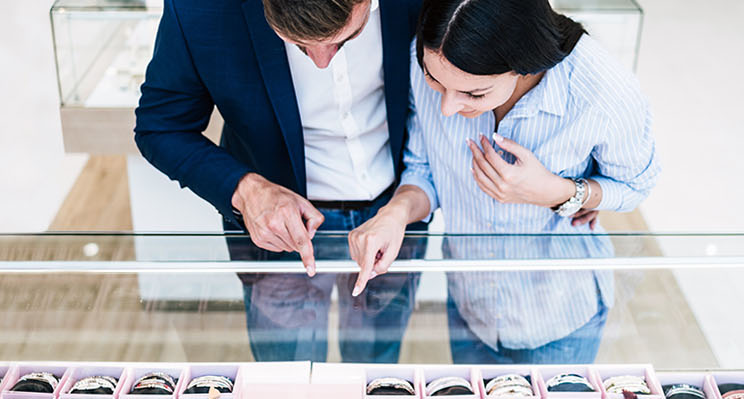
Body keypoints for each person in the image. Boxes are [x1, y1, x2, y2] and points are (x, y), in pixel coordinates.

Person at [346, 0, 661, 363]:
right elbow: (423, 168)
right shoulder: (429, 59)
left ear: (524, 64)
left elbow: (637, 183)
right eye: (435, 82)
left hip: (560, 317)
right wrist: (396, 213)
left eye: (474, 94)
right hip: (469, 305)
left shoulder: (602, 91)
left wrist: (559, 192)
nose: (447, 108)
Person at [133, 0, 427, 362]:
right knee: (286, 376)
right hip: (276, 232)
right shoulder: (201, 8)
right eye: (299, 44)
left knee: (375, 368)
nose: (322, 62)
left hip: (394, 216)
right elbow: (160, 126)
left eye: (345, 39)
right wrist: (246, 189)